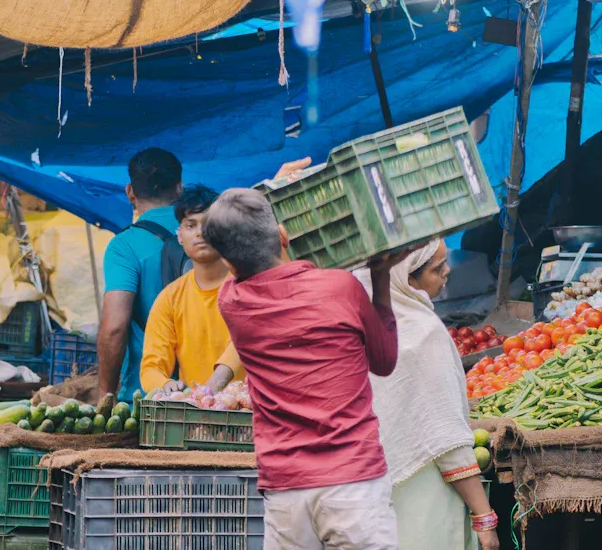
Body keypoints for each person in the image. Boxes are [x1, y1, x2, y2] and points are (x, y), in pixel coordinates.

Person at [203, 188, 405, 550]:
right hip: (353, 481)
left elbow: (245, 256)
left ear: (229, 264)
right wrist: (381, 276)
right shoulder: (341, 287)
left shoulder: (231, 301)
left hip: (285, 491)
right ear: (283, 236)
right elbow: (385, 360)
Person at [353, 241, 500, 550]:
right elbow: (446, 439)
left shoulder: (354, 325)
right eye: (437, 268)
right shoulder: (423, 333)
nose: (448, 272)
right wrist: (483, 515)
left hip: (366, 501)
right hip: (424, 496)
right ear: (405, 278)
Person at [139, 184, 245, 394]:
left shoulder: (247, 286)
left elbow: (247, 339)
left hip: (248, 412)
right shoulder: (169, 298)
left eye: (208, 224)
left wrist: (214, 386)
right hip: (195, 417)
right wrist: (165, 385)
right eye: (191, 225)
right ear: (180, 236)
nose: (200, 233)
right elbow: (152, 366)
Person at [97, 147, 184, 402]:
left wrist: (106, 395)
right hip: (212, 394)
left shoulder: (125, 245)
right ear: (180, 188)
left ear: (130, 192)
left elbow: (114, 328)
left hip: (147, 398)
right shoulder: (209, 233)